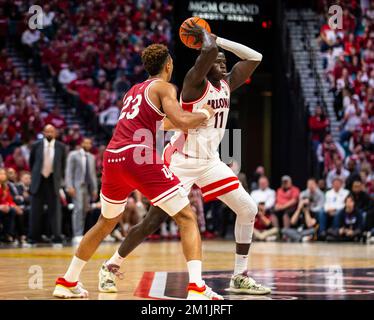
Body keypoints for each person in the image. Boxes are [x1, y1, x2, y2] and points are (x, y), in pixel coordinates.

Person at [101, 21, 270, 295]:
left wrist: (220, 40)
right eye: (217, 61)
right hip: (182, 161)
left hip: (211, 162)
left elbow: (255, 57)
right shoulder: (194, 83)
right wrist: (206, 39)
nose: (224, 64)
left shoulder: (226, 85)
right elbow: (207, 51)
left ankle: (239, 276)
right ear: (205, 64)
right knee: (153, 221)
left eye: (225, 61)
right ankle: (111, 265)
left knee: (248, 209)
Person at [53, 43, 220, 300]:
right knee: (187, 218)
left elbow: (158, 122)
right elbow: (183, 121)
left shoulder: (133, 91)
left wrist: (179, 122)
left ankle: (67, 280)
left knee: (105, 222)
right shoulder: (165, 87)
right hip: (138, 156)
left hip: (113, 156)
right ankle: (197, 288)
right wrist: (204, 114)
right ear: (168, 65)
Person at [28, 125, 67, 245]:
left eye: (52, 131)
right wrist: (35, 175)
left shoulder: (61, 147)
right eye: (47, 131)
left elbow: (63, 165)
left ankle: (57, 237)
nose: (49, 133)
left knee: (55, 211)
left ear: (55, 133)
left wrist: (59, 179)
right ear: (44, 132)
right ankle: (33, 238)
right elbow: (31, 162)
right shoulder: (36, 145)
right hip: (39, 180)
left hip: (53, 181)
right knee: (35, 211)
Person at [65, 138, 98, 245]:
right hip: (77, 186)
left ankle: (81, 232)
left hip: (88, 187)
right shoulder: (74, 155)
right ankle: (77, 234)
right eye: (85, 143)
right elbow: (69, 171)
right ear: (81, 144)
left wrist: (95, 189)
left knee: (84, 210)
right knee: (78, 209)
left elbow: (93, 174)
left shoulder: (92, 157)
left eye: (89, 143)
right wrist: (69, 186)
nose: (87, 144)